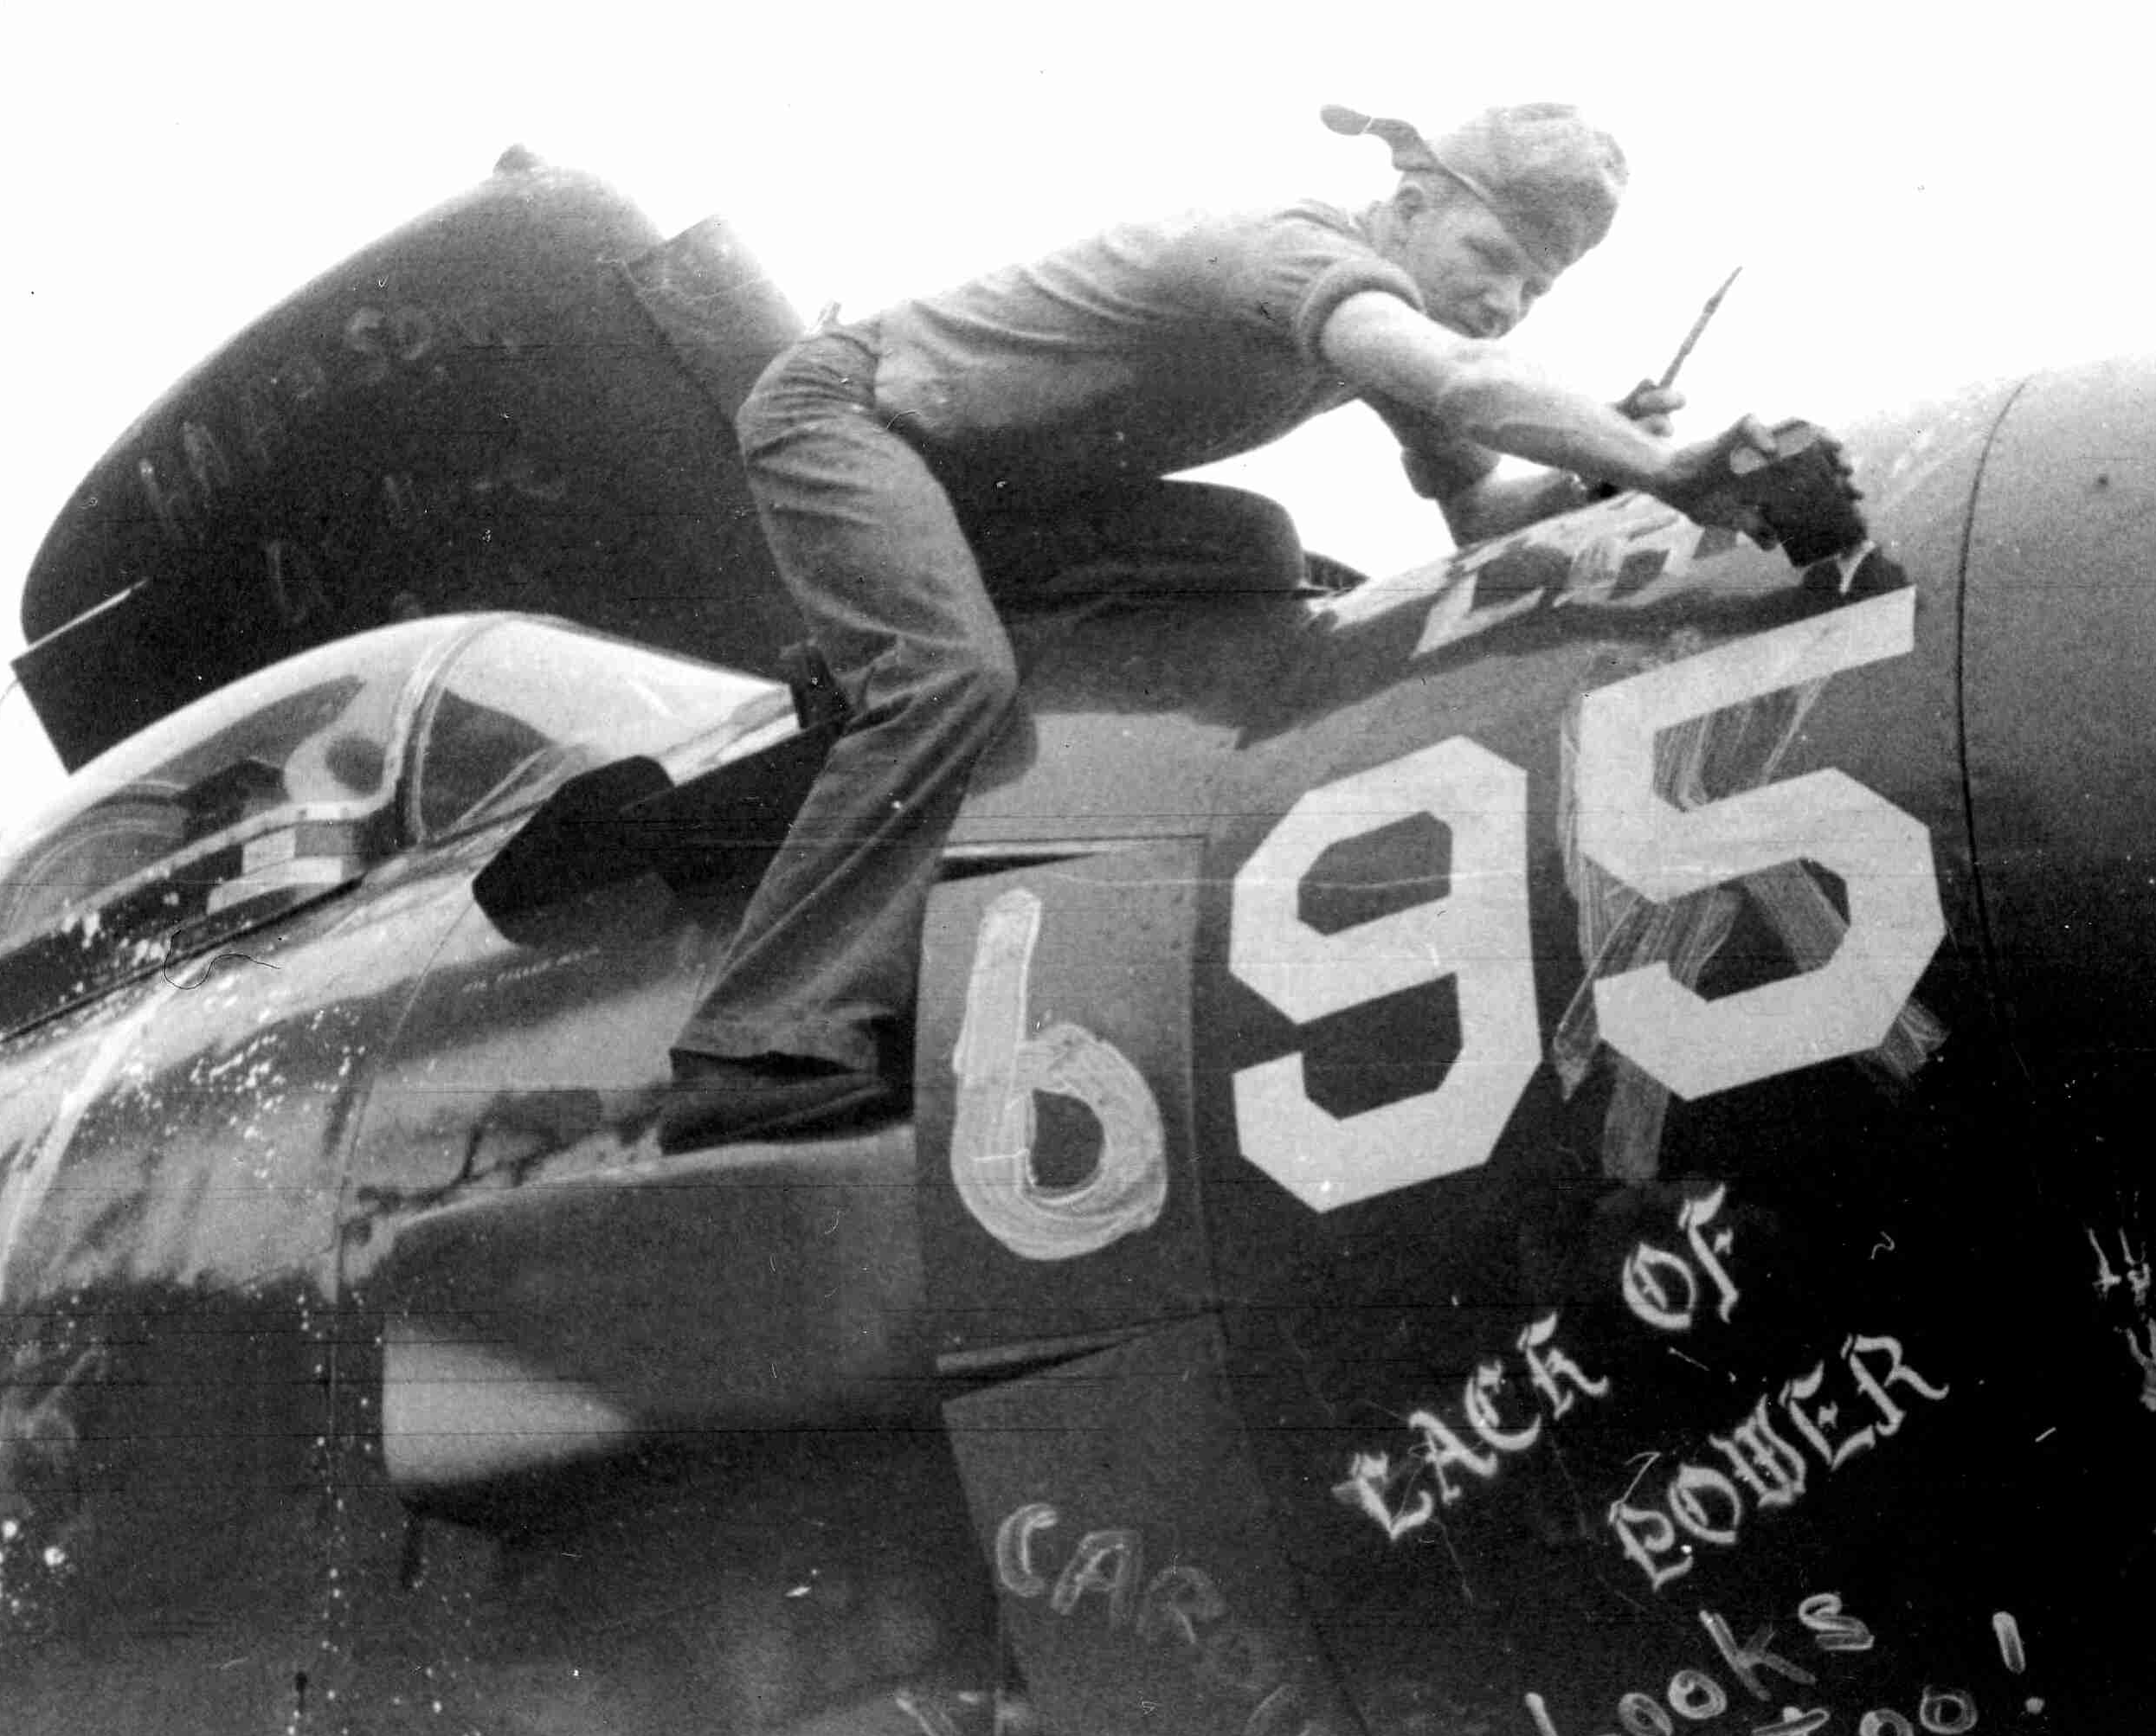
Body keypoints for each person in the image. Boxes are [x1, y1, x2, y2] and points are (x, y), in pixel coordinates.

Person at [654, 101, 1792, 1153]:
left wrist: (1600, 473)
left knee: (1254, 548)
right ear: (1408, 205)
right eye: (1490, 257)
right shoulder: (1293, 257)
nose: (1503, 302)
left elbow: (1479, 511)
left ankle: (941, 713)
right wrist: (1660, 466)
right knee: (949, 679)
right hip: (850, 416)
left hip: (981, 480)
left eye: (1533, 289)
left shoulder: (1383, 322)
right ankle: (754, 1048)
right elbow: (1462, 379)